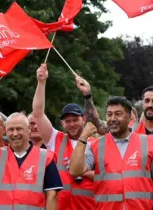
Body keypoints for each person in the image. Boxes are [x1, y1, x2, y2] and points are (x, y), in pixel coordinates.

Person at [70, 96, 153, 209]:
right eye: (109, 114)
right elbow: (75, 171)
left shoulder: (148, 143)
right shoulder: (95, 146)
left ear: (129, 116)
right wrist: (83, 137)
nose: (112, 118)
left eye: (118, 114)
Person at [30, 64, 99, 210]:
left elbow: (108, 176)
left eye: (75, 120)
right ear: (62, 123)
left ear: (84, 119)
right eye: (67, 121)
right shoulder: (56, 139)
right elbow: (37, 114)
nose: (72, 124)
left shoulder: (96, 143)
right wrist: (41, 82)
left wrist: (84, 172)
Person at [0, 111, 62, 209]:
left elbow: (52, 197)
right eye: (11, 129)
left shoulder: (45, 157)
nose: (15, 134)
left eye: (19, 129)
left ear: (28, 129)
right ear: (5, 130)